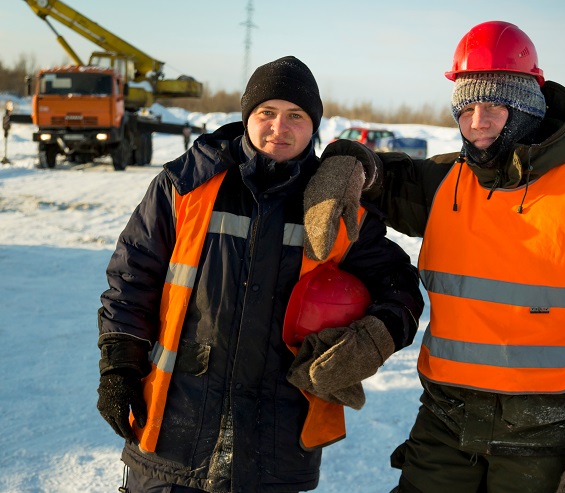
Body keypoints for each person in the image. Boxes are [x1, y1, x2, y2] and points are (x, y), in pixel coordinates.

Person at [302, 21, 565, 493]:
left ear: (528, 106)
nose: (477, 122)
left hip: (544, 433)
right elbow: (383, 177)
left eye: (494, 105)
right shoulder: (445, 182)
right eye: (466, 107)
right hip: (444, 424)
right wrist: (351, 163)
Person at [96, 55, 423, 493]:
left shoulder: (335, 207)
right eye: (266, 113)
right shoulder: (187, 186)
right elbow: (131, 281)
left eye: (296, 117)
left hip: (277, 442)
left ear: (314, 127)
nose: (279, 128)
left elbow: (401, 286)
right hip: (172, 433)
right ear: (247, 116)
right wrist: (119, 367)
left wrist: (374, 338)